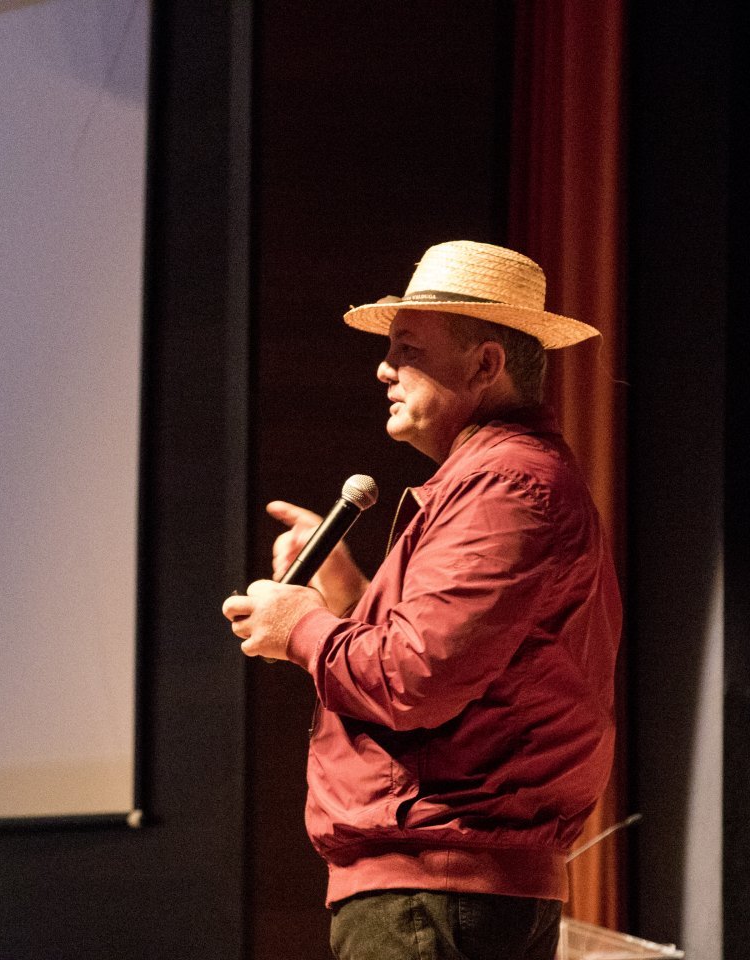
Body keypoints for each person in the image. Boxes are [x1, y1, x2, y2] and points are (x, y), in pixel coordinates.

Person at [222, 241, 621, 960]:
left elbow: (415, 677)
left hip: (437, 891)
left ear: (486, 365)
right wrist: (347, 593)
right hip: (449, 887)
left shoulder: (503, 487)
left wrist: (301, 626)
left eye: (407, 351)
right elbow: (460, 663)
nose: (384, 368)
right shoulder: (500, 480)